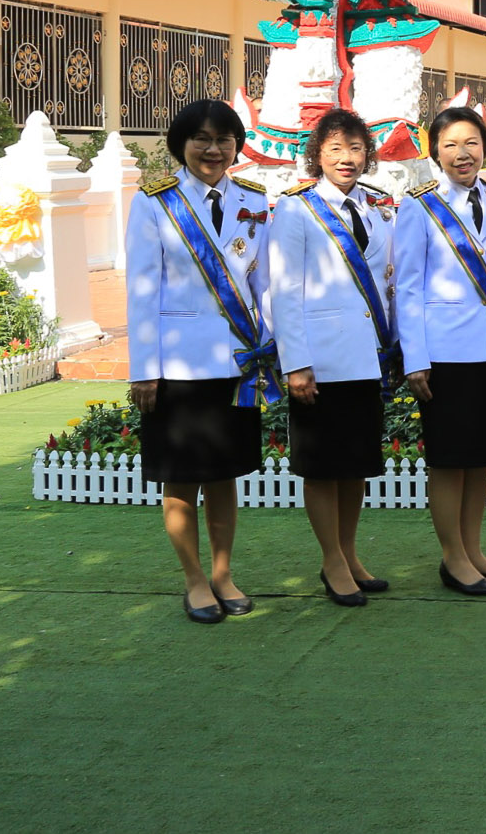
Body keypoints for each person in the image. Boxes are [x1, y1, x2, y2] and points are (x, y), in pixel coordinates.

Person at [126, 99, 277, 624]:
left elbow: (265, 285)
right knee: (182, 479)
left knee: (225, 475)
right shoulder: (154, 203)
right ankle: (193, 579)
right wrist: (144, 368)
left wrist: (273, 347)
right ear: (181, 144)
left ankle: (222, 573)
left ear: (237, 145)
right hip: (179, 367)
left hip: (236, 363)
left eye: (223, 139)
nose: (213, 149)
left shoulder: (254, 199)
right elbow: (142, 291)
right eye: (201, 138)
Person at [269, 108, 403, 608]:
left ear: (367, 153)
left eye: (355, 149)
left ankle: (349, 554)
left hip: (367, 358)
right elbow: (283, 290)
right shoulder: (295, 209)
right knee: (325, 467)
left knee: (356, 465)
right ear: (317, 155)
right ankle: (331, 560)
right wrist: (296, 363)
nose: (346, 159)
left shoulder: (376, 206)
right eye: (335, 150)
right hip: (320, 362)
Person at [397, 107, 486, 597]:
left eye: (471, 142)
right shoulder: (419, 206)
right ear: (435, 152)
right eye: (450, 144)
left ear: (485, 147)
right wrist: (415, 359)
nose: (462, 153)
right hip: (444, 353)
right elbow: (406, 288)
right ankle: (452, 558)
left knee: (481, 458)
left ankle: (473, 550)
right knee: (450, 459)